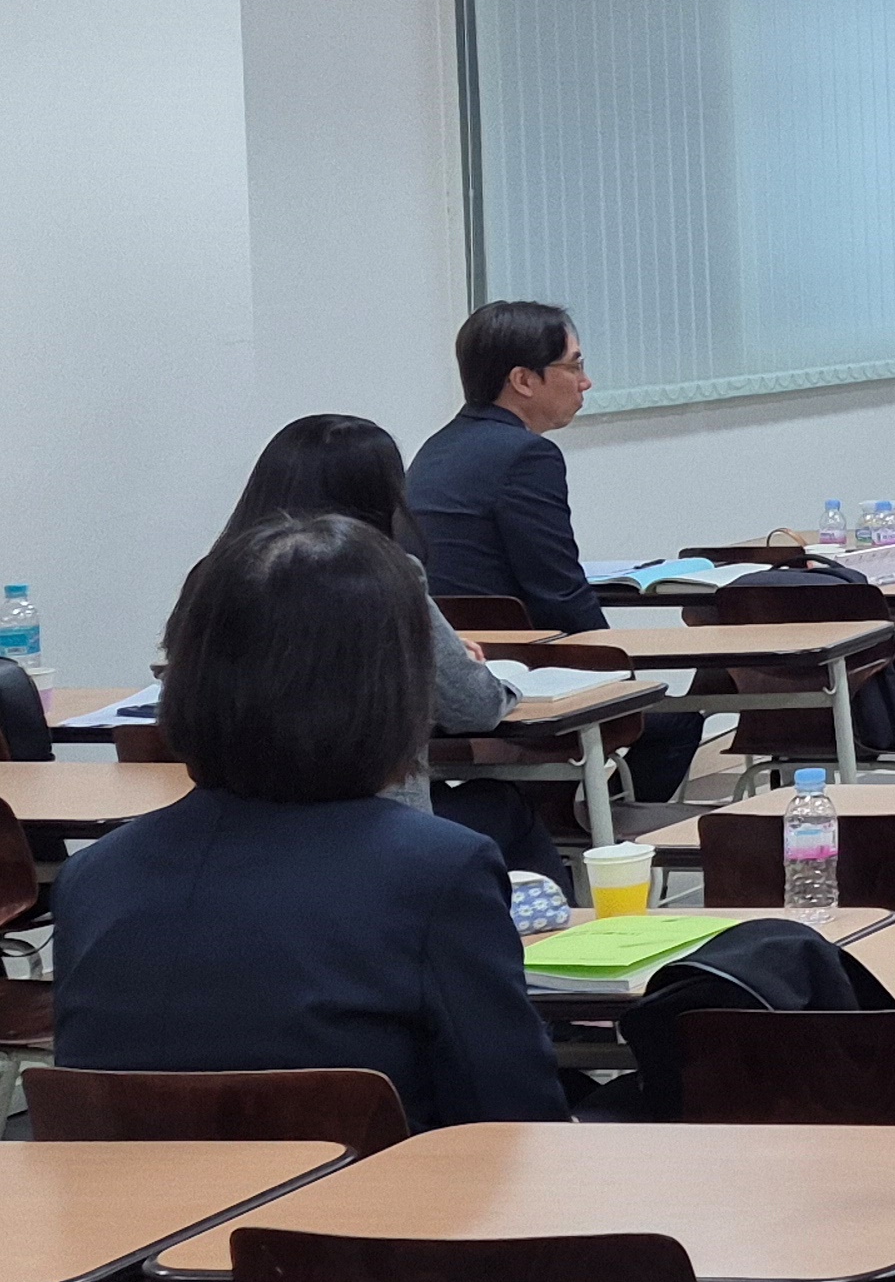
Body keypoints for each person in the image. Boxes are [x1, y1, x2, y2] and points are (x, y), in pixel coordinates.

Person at [52, 516, 571, 1132]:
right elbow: (513, 1119)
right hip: (374, 1194)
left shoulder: (92, 877)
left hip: (140, 1197)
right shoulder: (437, 871)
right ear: (393, 688)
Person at [410, 300, 704, 804]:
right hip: (515, 672)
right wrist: (620, 674)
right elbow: (556, 588)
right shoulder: (527, 455)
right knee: (673, 724)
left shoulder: (435, 448)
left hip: (446, 671)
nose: (586, 382)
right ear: (523, 380)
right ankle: (588, 834)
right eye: (574, 365)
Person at [223, 415, 549, 864]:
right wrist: (476, 671)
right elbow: (473, 705)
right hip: (375, 833)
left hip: (244, 835)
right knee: (504, 806)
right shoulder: (386, 577)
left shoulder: (217, 578)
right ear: (378, 495)